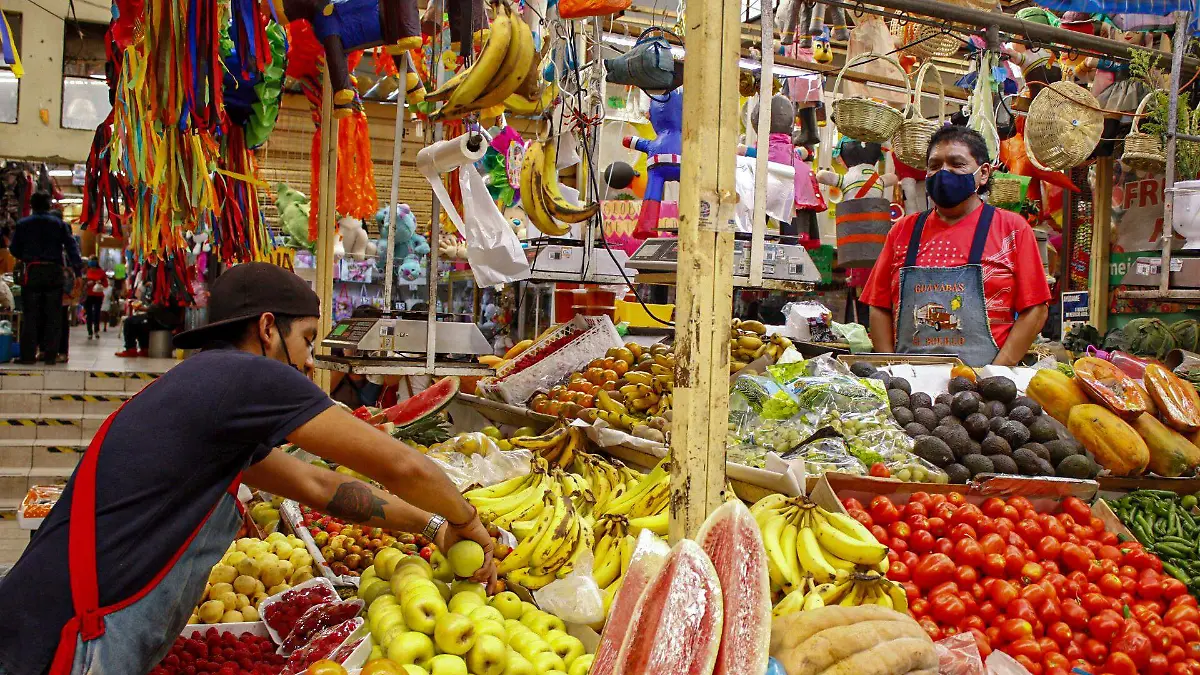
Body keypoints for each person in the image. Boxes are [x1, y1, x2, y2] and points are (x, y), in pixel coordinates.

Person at [0, 262, 497, 675]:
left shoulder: (211, 390)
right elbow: (401, 466)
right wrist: (466, 519)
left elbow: (315, 484)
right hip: (68, 635)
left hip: (45, 617)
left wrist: (431, 525)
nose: (308, 363)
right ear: (266, 328)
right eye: (305, 339)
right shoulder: (248, 374)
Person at [860, 126, 1050, 367]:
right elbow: (879, 306)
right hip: (909, 386)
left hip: (985, 388)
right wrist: (891, 369)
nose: (943, 172)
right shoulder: (902, 231)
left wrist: (995, 373)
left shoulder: (1011, 228)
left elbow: (1035, 310)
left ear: (983, 174)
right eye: (935, 165)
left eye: (956, 164)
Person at [9, 192, 83, 364]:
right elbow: (72, 249)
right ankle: (50, 355)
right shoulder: (59, 224)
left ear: (32, 205)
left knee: (30, 315)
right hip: (54, 273)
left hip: (32, 273)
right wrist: (77, 271)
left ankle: (27, 356)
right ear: (49, 205)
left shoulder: (22, 224)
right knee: (53, 315)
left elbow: (14, 249)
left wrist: (27, 256)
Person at [116, 304, 182, 357]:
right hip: (164, 319)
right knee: (140, 321)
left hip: (163, 321)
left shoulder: (164, 289)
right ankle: (144, 348)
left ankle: (131, 349)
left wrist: (145, 308)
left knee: (130, 321)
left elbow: (160, 306)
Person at [83, 257, 107, 339]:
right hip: (88, 295)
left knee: (97, 313)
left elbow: (106, 284)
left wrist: (100, 282)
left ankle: (96, 330)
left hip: (98, 295)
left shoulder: (101, 272)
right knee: (89, 314)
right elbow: (82, 283)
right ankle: (89, 332)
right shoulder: (86, 271)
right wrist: (87, 284)